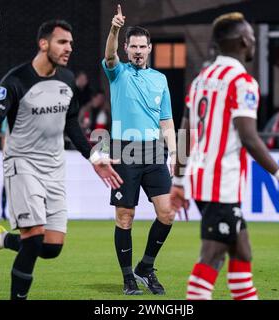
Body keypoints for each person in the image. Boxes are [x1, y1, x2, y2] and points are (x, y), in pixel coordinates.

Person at [0, 19, 123, 300]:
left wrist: (94, 156)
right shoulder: (16, 80)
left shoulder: (67, 80)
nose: (69, 48)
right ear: (44, 44)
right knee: (33, 241)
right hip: (22, 164)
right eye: (62, 42)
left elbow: (72, 125)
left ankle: (1, 239)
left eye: (70, 43)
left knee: (52, 247)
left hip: (54, 168)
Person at [170, 12, 279, 300]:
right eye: (252, 36)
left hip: (203, 181)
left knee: (242, 252)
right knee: (211, 257)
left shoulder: (201, 79)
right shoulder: (242, 82)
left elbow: (184, 133)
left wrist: (179, 181)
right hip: (222, 186)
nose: (254, 41)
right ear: (244, 41)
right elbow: (249, 137)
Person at [103, 5, 176, 295]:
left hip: (155, 152)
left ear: (149, 49)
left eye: (142, 46)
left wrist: (176, 155)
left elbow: (167, 121)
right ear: (126, 47)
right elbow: (109, 54)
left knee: (167, 213)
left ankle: (145, 266)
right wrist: (114, 28)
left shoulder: (160, 79)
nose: (137, 50)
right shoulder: (117, 72)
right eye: (132, 46)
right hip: (124, 151)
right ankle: (127, 277)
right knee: (125, 216)